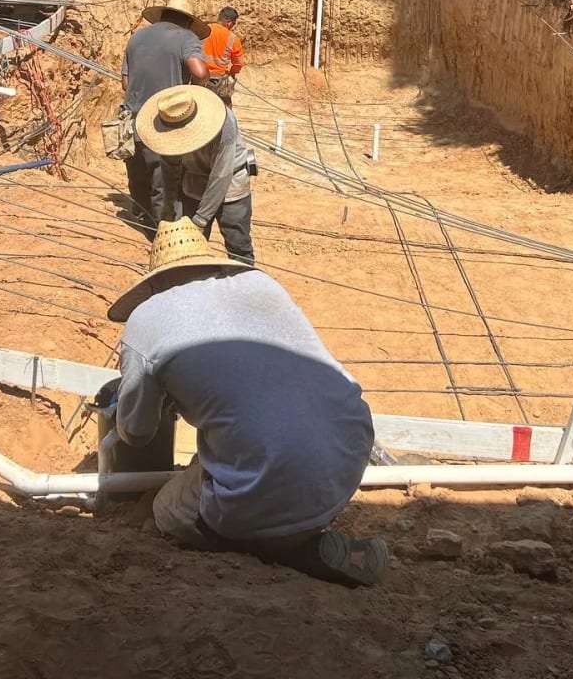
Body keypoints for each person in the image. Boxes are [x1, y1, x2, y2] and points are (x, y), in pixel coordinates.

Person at [107, 217, 387, 587]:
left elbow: (137, 433)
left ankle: (292, 549)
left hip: (277, 473)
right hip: (348, 457)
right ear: (212, 265)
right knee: (221, 456)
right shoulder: (261, 284)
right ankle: (293, 526)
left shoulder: (145, 318)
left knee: (167, 509)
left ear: (154, 284)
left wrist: (155, 398)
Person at [136, 84, 255, 263]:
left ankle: (244, 278)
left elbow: (221, 175)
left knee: (238, 247)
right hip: (194, 183)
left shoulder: (224, 123)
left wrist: (200, 220)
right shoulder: (169, 122)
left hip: (231, 185)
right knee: (189, 249)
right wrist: (169, 204)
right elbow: (170, 165)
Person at [121, 0, 209, 231]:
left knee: (138, 176)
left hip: (131, 119)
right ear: (188, 20)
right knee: (164, 181)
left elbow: (126, 83)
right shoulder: (186, 37)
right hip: (162, 121)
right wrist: (193, 93)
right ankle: (164, 232)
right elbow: (200, 72)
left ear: (162, 15)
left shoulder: (136, 38)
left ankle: (144, 221)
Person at [202, 6, 245, 103]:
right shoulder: (233, 39)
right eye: (233, 24)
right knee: (226, 107)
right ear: (229, 22)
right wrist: (232, 73)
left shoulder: (204, 30)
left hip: (200, 77)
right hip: (219, 81)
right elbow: (238, 64)